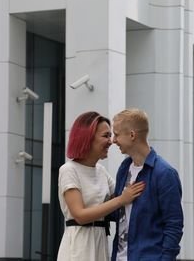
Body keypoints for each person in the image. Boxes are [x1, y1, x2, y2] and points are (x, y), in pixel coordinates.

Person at [57, 111, 145, 261]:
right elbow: (80, 215)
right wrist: (121, 200)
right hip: (79, 247)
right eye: (106, 136)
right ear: (88, 138)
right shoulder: (68, 170)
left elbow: (125, 196)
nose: (111, 141)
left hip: (100, 243)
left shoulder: (101, 171)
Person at [111, 108, 184, 261]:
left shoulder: (165, 174)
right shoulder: (124, 169)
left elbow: (173, 225)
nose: (113, 140)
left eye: (116, 134)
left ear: (132, 135)